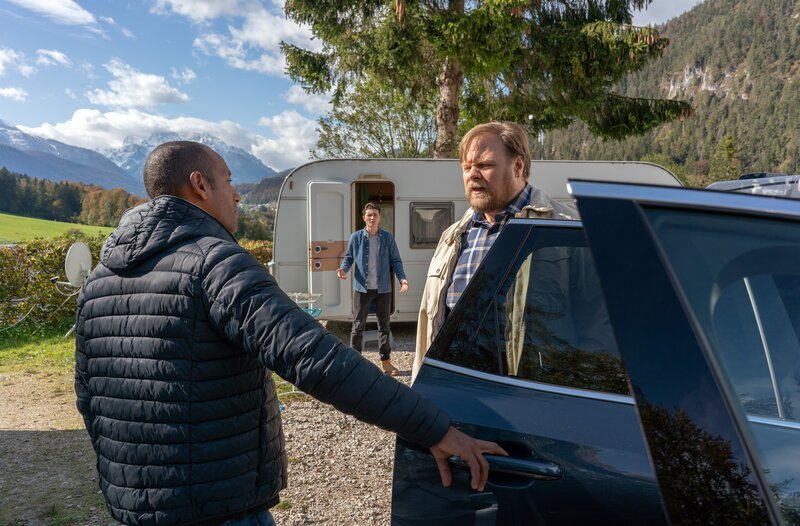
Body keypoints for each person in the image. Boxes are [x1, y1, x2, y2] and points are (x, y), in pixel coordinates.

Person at [74, 141, 506, 526]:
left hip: (132, 505)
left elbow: (87, 397)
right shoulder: (215, 265)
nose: (237, 193)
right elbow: (317, 360)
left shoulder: (98, 279)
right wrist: (432, 427)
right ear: (200, 185)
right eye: (228, 180)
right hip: (216, 506)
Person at [413, 121, 579, 380]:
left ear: (518, 166)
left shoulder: (566, 228)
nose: (472, 175)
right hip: (454, 390)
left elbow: (597, 326)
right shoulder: (452, 238)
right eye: (467, 167)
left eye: (485, 165)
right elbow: (430, 325)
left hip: (530, 397)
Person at [337, 203, 408, 376]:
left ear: (379, 217)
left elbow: (396, 261)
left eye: (375, 214)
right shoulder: (356, 237)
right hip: (362, 288)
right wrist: (343, 269)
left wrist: (402, 279)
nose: (372, 218)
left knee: (384, 326)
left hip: (383, 289)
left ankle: (386, 362)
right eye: (369, 215)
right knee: (357, 326)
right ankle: (354, 363)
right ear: (364, 217)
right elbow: (348, 258)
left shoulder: (388, 238)